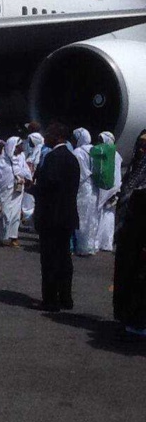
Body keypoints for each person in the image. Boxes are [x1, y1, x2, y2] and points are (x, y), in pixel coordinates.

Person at [31, 123, 80, 312]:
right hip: (67, 216)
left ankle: (50, 300)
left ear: (59, 137)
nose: (46, 138)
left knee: (50, 259)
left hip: (52, 217)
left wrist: (33, 189)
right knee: (65, 258)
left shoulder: (53, 157)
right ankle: (65, 297)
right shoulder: (72, 159)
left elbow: (49, 185)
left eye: (49, 134)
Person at [114, 130, 146, 336]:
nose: (142, 149)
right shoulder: (136, 167)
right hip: (128, 232)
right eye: (141, 144)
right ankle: (125, 314)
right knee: (126, 275)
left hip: (140, 234)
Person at [0, 137, 32, 247]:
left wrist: (26, 178)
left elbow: (26, 171)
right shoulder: (2, 161)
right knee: (5, 214)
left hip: (17, 191)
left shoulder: (21, 158)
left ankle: (13, 237)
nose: (21, 149)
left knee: (15, 214)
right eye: (19, 147)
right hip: (5, 192)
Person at [72, 127, 99, 256]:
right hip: (94, 187)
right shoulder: (94, 149)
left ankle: (82, 247)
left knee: (81, 217)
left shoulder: (78, 152)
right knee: (92, 217)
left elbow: (79, 173)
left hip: (83, 187)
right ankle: (90, 245)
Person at [96, 131, 122, 252]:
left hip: (108, 187)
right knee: (105, 214)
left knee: (106, 215)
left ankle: (102, 241)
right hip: (111, 187)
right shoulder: (116, 154)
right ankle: (104, 242)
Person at [21, 132, 45, 224]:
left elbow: (35, 163)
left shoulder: (40, 149)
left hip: (34, 177)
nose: (29, 143)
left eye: (31, 141)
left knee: (31, 199)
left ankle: (29, 217)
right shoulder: (34, 149)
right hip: (29, 176)